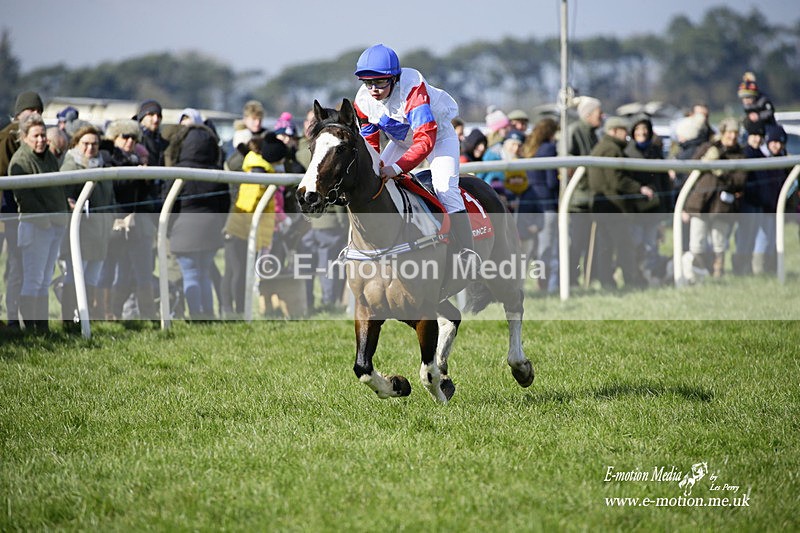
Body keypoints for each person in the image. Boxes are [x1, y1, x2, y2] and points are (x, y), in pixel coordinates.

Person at [352, 43, 478, 264]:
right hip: (401, 141)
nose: (373, 89)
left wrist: (397, 168)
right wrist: (379, 166)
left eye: (380, 81)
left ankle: (468, 252)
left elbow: (425, 140)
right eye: (368, 82)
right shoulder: (363, 101)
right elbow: (371, 141)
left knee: (445, 188)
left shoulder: (412, 90)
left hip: (438, 138)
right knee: (375, 180)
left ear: (394, 78)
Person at [8, 112, 69, 331]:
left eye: (43, 135)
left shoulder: (48, 157)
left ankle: (42, 328)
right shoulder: (20, 161)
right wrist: (47, 221)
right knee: (33, 279)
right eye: (36, 136)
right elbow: (25, 197)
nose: (41, 140)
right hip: (36, 226)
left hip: (54, 225)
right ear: (24, 137)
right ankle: (31, 327)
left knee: (44, 279)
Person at [164, 124, 230, 320]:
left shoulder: (176, 171)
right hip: (211, 228)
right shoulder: (217, 171)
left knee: (191, 274)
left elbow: (168, 204)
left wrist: (169, 229)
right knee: (204, 273)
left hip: (183, 229)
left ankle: (195, 314)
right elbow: (224, 203)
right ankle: (208, 313)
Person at [220, 133, 288, 318]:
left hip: (245, 230)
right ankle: (234, 311)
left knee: (238, 272)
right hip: (239, 231)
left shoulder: (263, 171)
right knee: (237, 272)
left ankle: (235, 311)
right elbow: (248, 207)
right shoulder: (258, 173)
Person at [587, 116, 653, 290]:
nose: (627, 136)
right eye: (624, 131)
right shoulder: (611, 149)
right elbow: (617, 180)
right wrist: (638, 188)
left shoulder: (603, 147)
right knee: (624, 247)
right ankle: (631, 280)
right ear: (614, 131)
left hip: (602, 206)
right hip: (613, 207)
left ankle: (607, 281)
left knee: (606, 247)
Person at [101, 119, 158, 320]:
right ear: (115, 138)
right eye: (125, 137)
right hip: (114, 223)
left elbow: (143, 192)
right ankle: (107, 313)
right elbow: (115, 185)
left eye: (134, 137)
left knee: (141, 271)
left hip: (135, 223)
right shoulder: (106, 158)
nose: (130, 141)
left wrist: (144, 178)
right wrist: (135, 172)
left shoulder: (136, 158)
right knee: (108, 271)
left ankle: (148, 315)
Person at [59, 124, 116, 325]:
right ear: (77, 143)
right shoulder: (70, 166)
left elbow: (111, 200)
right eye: (85, 144)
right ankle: (69, 320)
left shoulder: (102, 166)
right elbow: (61, 195)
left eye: (94, 144)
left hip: (100, 233)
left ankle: (85, 320)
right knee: (74, 277)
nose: (90, 148)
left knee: (92, 279)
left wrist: (111, 220)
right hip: (79, 233)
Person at [1, 91, 44, 329]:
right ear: (19, 114)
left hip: (21, 212)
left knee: (22, 268)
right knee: (16, 267)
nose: (36, 115)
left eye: (39, 111)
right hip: (10, 212)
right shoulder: (9, 137)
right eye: (31, 111)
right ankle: (13, 319)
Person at [683, 117, 747, 280]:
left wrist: (720, 170)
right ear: (722, 133)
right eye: (729, 133)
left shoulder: (740, 155)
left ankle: (718, 273)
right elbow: (691, 168)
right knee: (697, 242)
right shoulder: (709, 147)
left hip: (722, 206)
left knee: (719, 242)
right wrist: (707, 158)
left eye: (735, 133)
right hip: (701, 202)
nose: (732, 137)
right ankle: (697, 273)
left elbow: (739, 181)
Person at [624, 115, 671, 284]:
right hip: (635, 210)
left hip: (654, 208)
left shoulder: (655, 152)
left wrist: (666, 207)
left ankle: (650, 276)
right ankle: (635, 276)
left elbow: (663, 181)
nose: (642, 132)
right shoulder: (627, 153)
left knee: (651, 245)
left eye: (645, 129)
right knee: (636, 244)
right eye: (638, 129)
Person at [565, 95, 603, 286]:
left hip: (592, 198)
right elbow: (566, 163)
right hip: (578, 200)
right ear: (588, 115)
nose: (602, 116)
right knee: (577, 243)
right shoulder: (574, 131)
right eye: (599, 113)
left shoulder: (595, 133)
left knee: (592, 244)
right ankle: (571, 280)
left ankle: (591, 277)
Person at [521, 117, 559, 293]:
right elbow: (551, 181)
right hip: (547, 204)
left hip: (529, 203)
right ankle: (546, 286)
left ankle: (520, 286)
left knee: (529, 249)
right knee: (546, 248)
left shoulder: (530, 149)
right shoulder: (549, 148)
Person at [733, 120, 767, 275]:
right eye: (754, 135)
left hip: (758, 202)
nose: (757, 139)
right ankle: (740, 269)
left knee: (752, 237)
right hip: (747, 203)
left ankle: (748, 268)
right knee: (744, 238)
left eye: (760, 135)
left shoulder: (761, 155)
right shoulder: (745, 154)